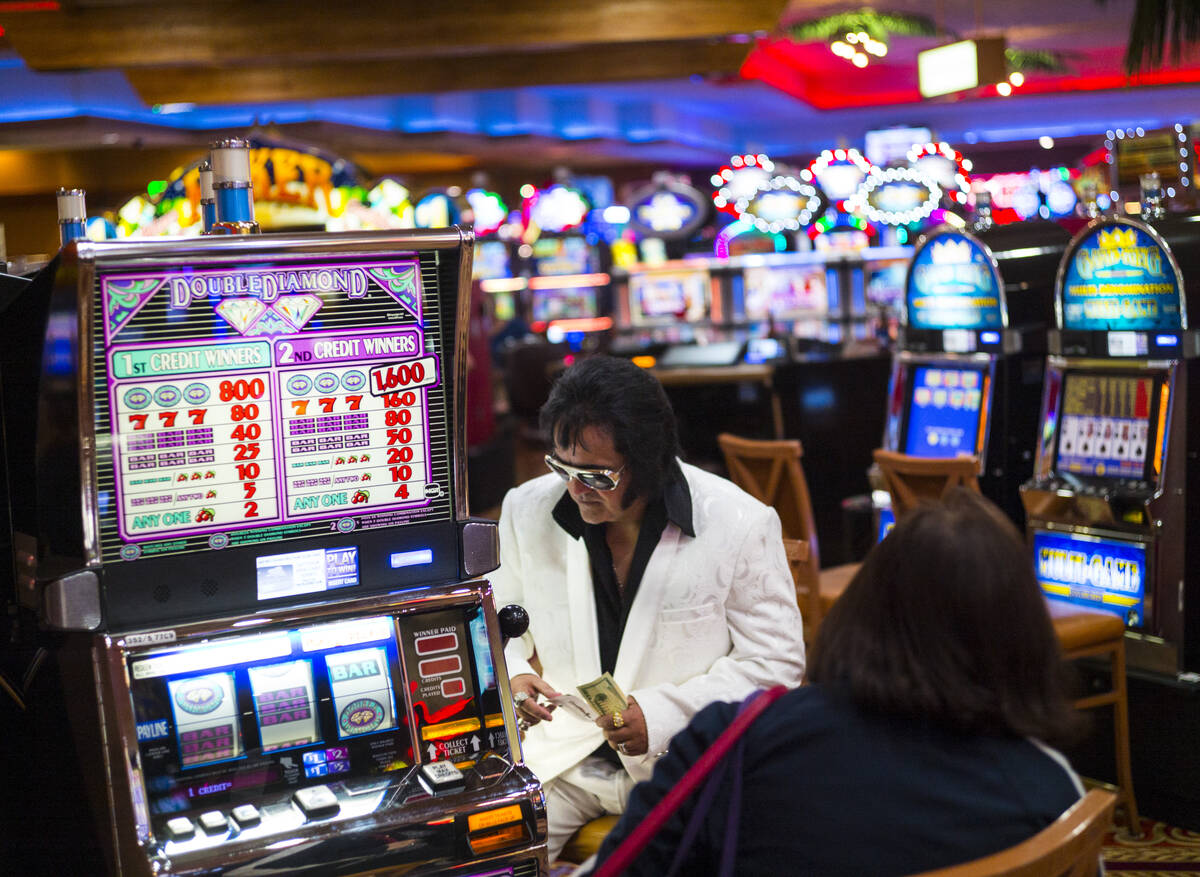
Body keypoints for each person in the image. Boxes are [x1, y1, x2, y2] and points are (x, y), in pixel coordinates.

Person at [586, 487, 1085, 876]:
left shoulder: (735, 737)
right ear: (1023, 638)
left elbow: (619, 868)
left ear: (861, 609)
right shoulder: (1054, 797)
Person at [489, 355, 805, 862]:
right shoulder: (527, 508)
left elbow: (775, 666)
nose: (573, 490)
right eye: (561, 466)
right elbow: (497, 623)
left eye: (596, 476)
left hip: (680, 764)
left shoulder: (740, 520)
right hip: (564, 758)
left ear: (651, 458)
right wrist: (515, 673)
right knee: (488, 858)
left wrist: (659, 714)